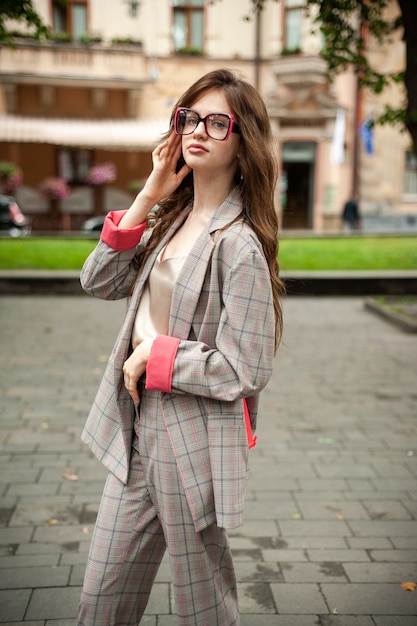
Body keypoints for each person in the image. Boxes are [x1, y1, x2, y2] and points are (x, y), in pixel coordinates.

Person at [77, 68, 285, 626]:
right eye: (189, 117)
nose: (197, 129)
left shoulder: (239, 243)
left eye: (218, 122)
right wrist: (148, 194)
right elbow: (97, 281)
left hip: (192, 440)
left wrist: (157, 356)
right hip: (138, 433)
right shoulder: (169, 222)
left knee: (202, 606)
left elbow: (248, 366)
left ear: (245, 142)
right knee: (101, 598)